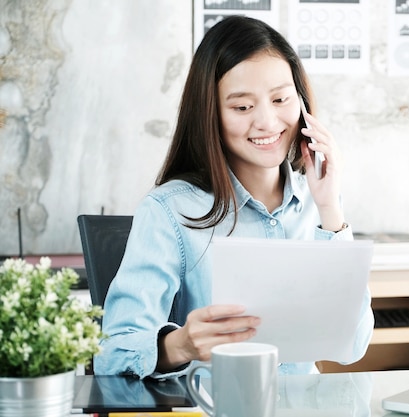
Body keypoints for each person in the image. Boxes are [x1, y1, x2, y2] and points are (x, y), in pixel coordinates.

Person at [93, 15, 374, 379]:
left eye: (280, 99)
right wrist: (182, 345)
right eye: (243, 107)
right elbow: (111, 354)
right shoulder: (170, 211)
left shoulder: (317, 204)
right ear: (211, 114)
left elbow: (353, 346)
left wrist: (330, 208)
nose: (268, 122)